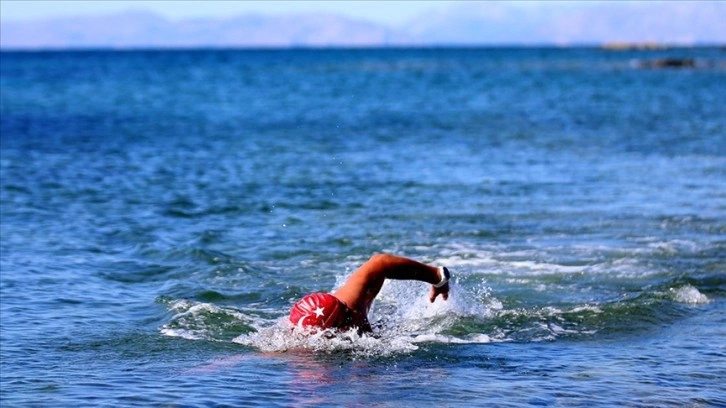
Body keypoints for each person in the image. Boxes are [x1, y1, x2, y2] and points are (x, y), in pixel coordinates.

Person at [289, 254, 451, 333]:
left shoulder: (351, 302)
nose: (350, 314)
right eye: (346, 319)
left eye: (346, 311)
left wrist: (436, 277)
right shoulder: (301, 343)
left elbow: (379, 262)